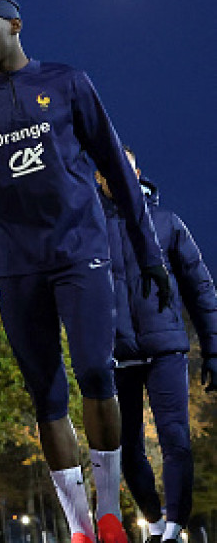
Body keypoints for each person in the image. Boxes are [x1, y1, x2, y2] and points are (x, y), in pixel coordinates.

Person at [0, 0, 171, 543]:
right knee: (46, 393)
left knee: (94, 370)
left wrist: (149, 254)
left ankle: (108, 511)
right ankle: (80, 526)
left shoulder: (68, 83)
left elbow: (117, 168)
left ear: (15, 24)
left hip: (80, 253)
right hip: (17, 265)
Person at [99, 148, 217, 543]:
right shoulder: (88, 231)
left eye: (123, 166)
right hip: (119, 356)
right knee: (127, 448)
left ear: (136, 172)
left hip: (166, 349)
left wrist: (213, 349)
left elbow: (200, 289)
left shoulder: (167, 224)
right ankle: (152, 521)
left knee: (175, 440)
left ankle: (173, 529)